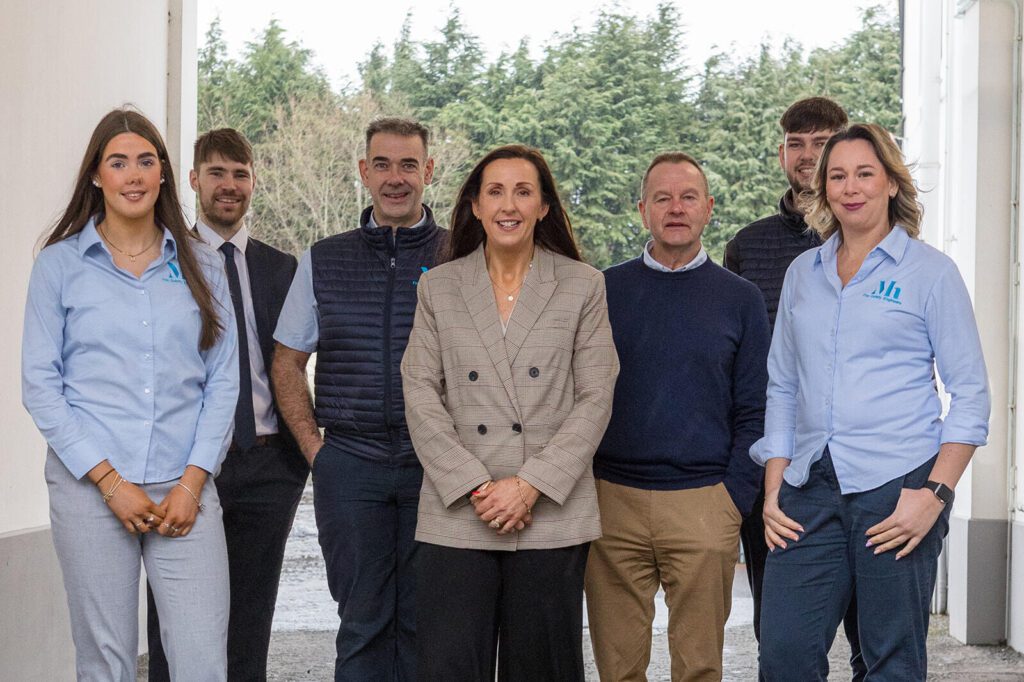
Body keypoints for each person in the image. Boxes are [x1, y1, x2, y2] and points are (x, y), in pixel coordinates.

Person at [752, 123, 990, 680]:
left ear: (890, 184)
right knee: (784, 657)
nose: (850, 187)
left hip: (898, 488)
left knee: (890, 661)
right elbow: (783, 385)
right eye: (838, 175)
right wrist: (774, 489)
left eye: (865, 173)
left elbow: (972, 395)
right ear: (824, 188)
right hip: (807, 489)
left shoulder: (930, 273)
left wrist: (932, 495)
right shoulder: (802, 275)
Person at [21, 108, 238, 680]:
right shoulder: (59, 267)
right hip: (92, 492)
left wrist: (193, 483)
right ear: (97, 175)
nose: (134, 174)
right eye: (118, 162)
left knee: (201, 662)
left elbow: (223, 382)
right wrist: (111, 484)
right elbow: (40, 386)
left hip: (183, 495)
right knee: (106, 663)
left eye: (147, 161)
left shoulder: (205, 266)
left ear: (164, 174)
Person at [401, 144, 619, 680]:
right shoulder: (438, 286)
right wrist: (478, 485)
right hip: (459, 511)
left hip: (548, 513)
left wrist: (529, 486)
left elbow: (596, 394)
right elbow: (420, 391)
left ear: (544, 206)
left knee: (542, 668)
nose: (509, 204)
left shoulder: (583, 285)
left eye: (524, 192)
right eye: (495, 191)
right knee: (450, 666)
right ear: (475, 205)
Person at [271, 117, 446, 680]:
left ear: (429, 171)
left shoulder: (461, 254)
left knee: (431, 622)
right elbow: (287, 363)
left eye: (408, 164)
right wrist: (318, 452)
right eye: (383, 164)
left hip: (438, 468)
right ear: (363, 172)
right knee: (363, 621)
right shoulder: (322, 258)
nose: (395, 178)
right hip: (351, 467)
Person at [586, 152, 770, 681]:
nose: (676, 208)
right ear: (642, 209)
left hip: (704, 503)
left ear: (709, 208)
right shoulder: (602, 291)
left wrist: (732, 497)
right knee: (617, 669)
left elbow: (756, 408)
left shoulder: (740, 299)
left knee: (699, 668)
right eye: (662, 198)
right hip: (611, 503)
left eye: (688, 197)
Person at [146, 128, 308, 681]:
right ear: (193, 180)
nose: (229, 185)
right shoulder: (166, 262)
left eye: (240, 174)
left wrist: (303, 454)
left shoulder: (282, 268)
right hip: (189, 467)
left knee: (251, 619)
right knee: (179, 616)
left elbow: (297, 362)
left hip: (270, 464)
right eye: (216, 173)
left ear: (254, 183)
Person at [722, 97, 863, 670]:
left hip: (859, 457)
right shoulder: (748, 246)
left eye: (822, 141)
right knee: (779, 628)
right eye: (796, 143)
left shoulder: (874, 239)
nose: (808, 155)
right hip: (775, 459)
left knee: (870, 626)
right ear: (782, 153)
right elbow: (734, 357)